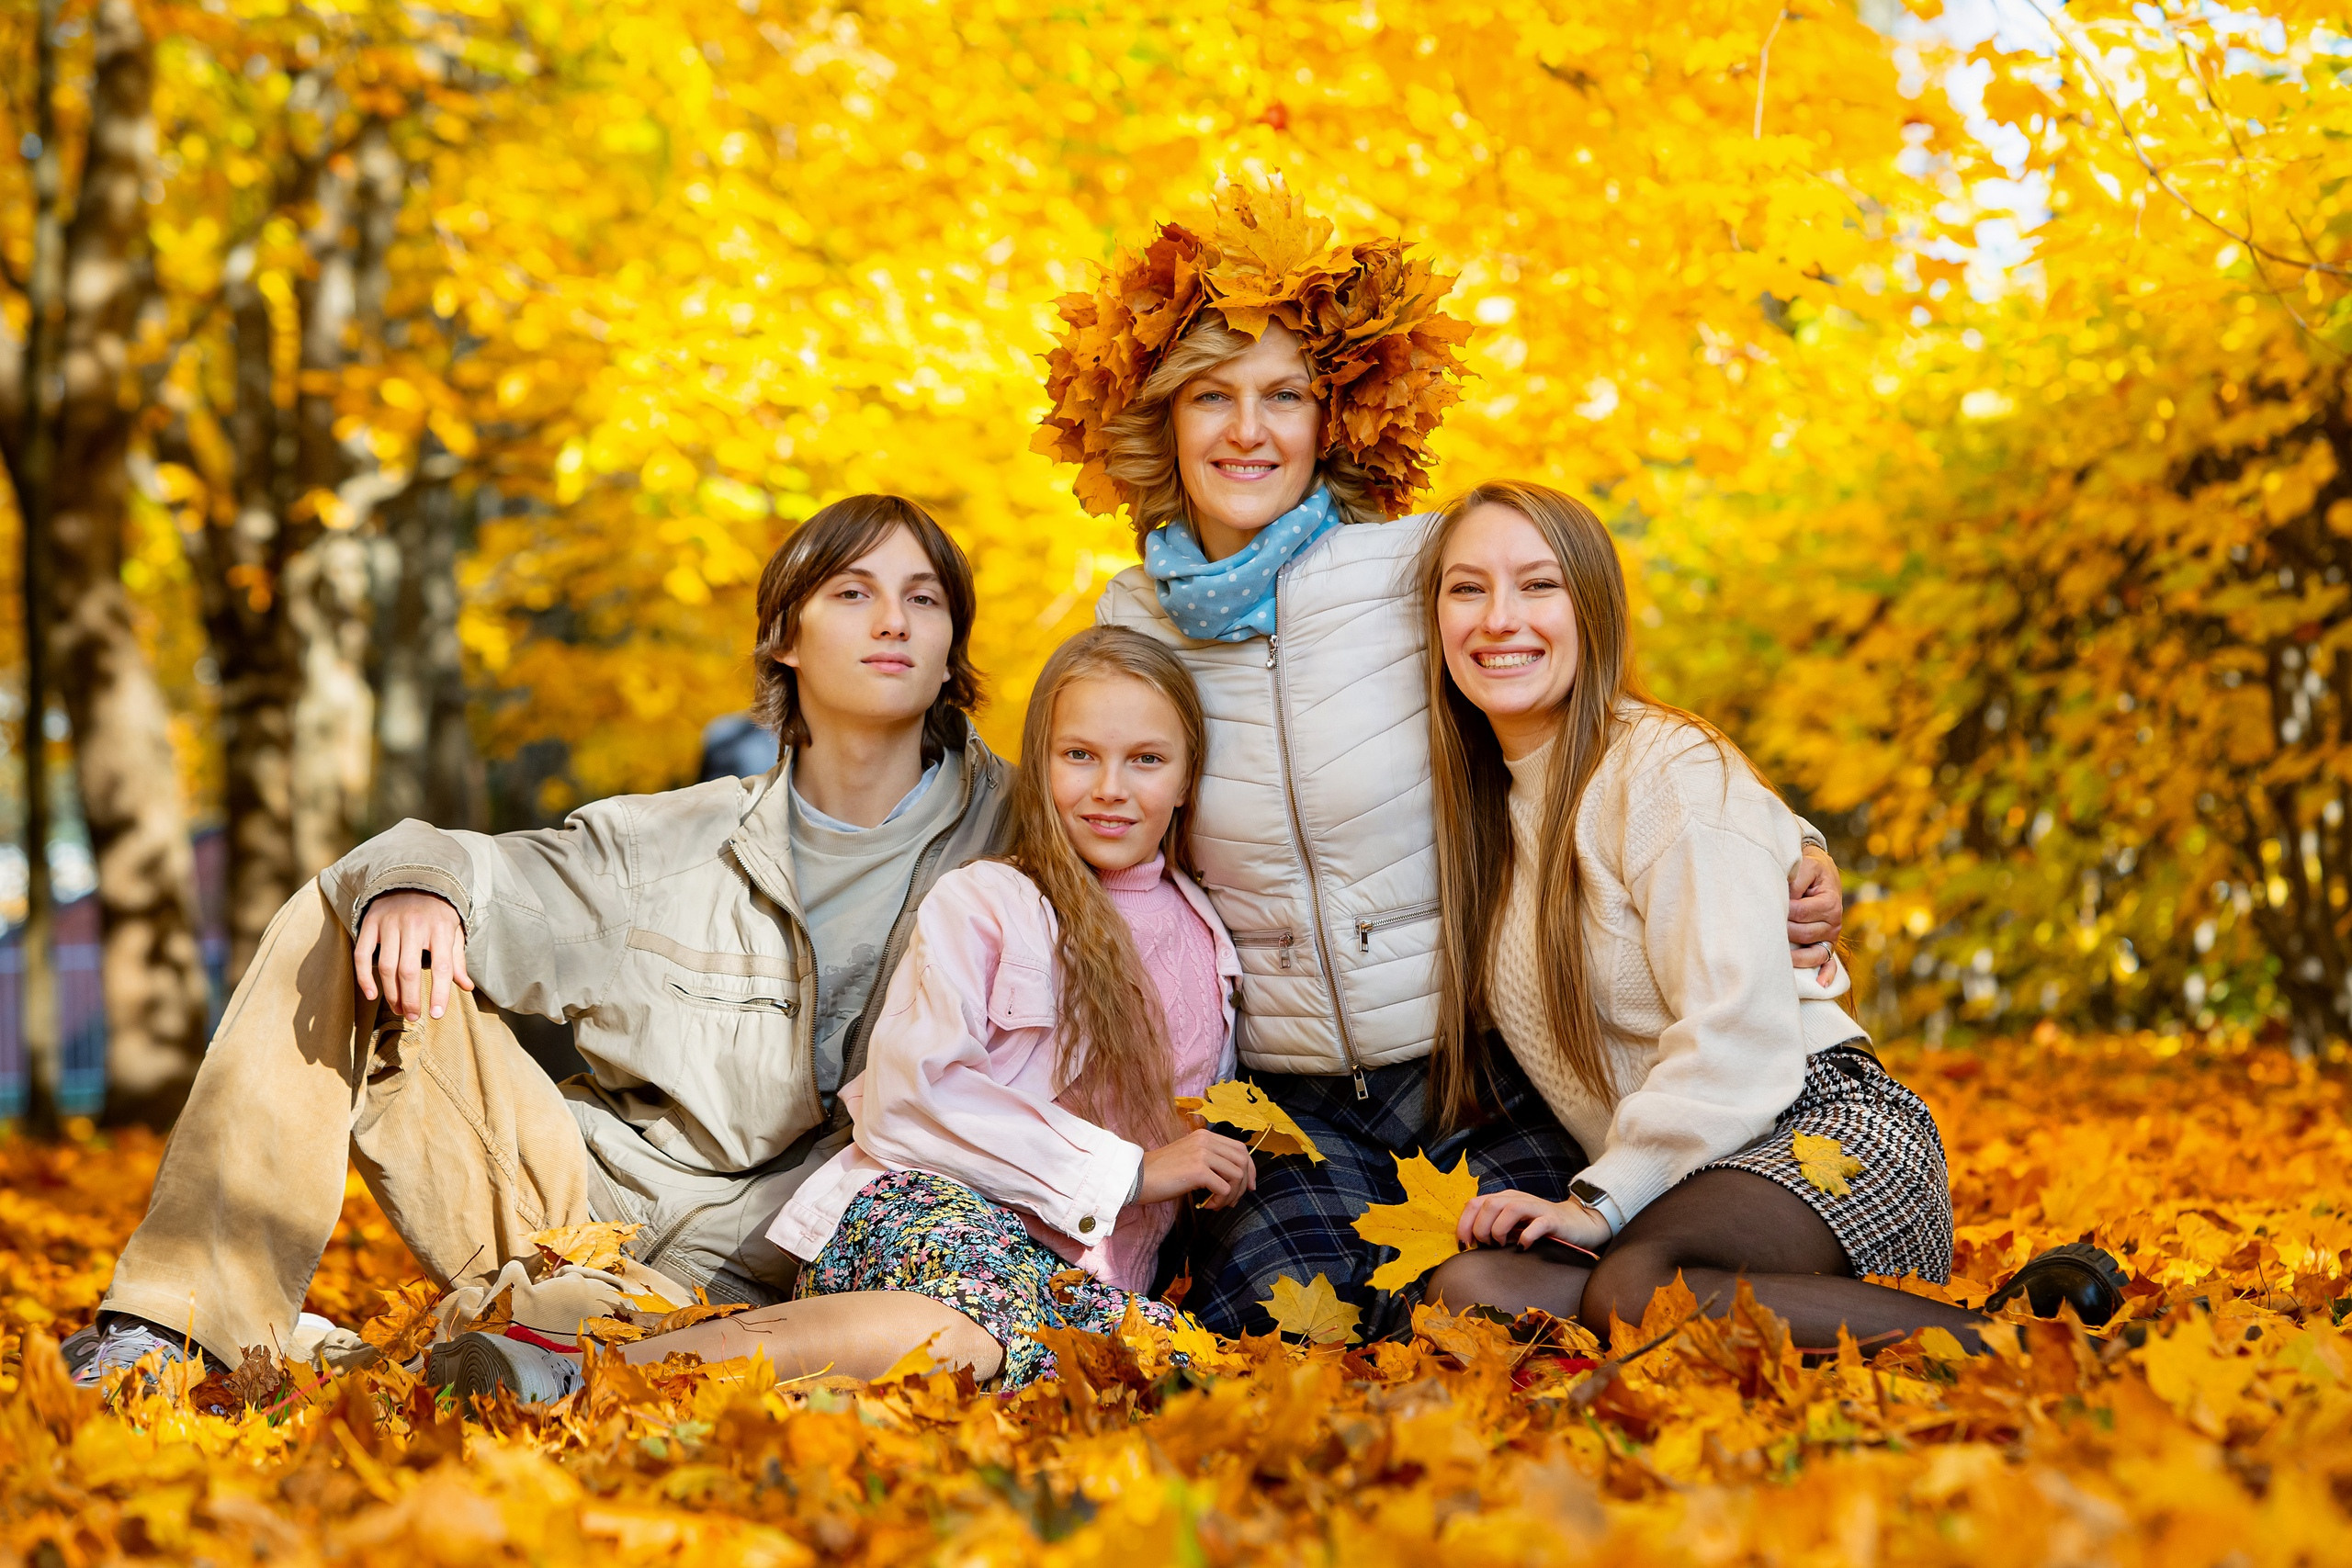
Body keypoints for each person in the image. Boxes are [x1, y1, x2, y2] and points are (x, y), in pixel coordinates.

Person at [1036, 184, 1849, 1337]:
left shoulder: (1425, 571)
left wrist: (1792, 849)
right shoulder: (1129, 633)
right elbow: (1081, 826)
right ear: (1159, 422)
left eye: (1283, 398)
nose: (1246, 431)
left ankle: (1749, 1317)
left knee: (1494, 1318)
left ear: (1331, 421)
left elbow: (1589, 717)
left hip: (1480, 1059)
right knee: (1282, 1331)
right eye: (1208, 398)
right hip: (1286, 1093)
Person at [67, 494, 1015, 1400]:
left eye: (922, 599)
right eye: (853, 592)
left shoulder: (1023, 835)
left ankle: (466, 1349)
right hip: (576, 1215)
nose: (892, 619)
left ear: (950, 652)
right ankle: (177, 1325)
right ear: (786, 639)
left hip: (810, 1276)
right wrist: (413, 887)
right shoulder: (670, 842)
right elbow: (450, 863)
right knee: (350, 904)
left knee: (575, 1337)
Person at [1416, 482, 2125, 1349]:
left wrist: (1596, 1202)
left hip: (1823, 1131)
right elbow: (1750, 837)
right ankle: (1979, 1317)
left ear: (1593, 609)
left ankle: (2050, 1349)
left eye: (1538, 585)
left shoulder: (1663, 766)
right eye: (1466, 588)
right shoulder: (1482, 817)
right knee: (1471, 1287)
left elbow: (1740, 1035)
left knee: (1639, 1285)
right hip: (1682, 1186)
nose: (1499, 618)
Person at [639, 627, 1248, 1387]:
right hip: (924, 1217)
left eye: (1146, 760)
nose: (1110, 788)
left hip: (1083, 1278)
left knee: (1171, 1368)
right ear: (1043, 762)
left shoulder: (1209, 935)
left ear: (1188, 776)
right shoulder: (993, 900)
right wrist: (1129, 1173)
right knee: (974, 1320)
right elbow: (912, 1096)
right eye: (1079, 755)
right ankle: (605, 1368)